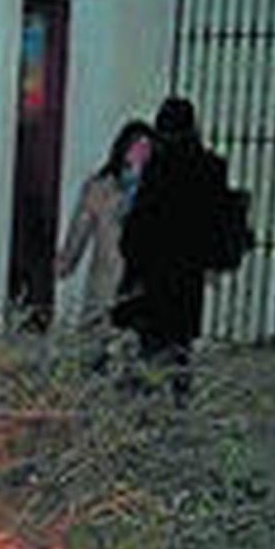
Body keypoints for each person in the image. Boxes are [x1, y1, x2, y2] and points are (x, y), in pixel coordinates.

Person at [114, 96, 225, 402]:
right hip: (188, 268)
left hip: (154, 265)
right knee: (181, 340)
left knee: (150, 337)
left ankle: (144, 396)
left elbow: (141, 221)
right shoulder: (212, 167)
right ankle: (180, 396)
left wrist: (130, 257)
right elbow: (215, 221)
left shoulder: (158, 167)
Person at [56, 119, 153, 332]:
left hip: (141, 286)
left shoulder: (156, 190)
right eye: (135, 145)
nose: (139, 152)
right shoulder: (100, 187)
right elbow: (80, 229)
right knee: (97, 344)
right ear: (123, 147)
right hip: (106, 281)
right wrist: (66, 261)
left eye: (146, 147)